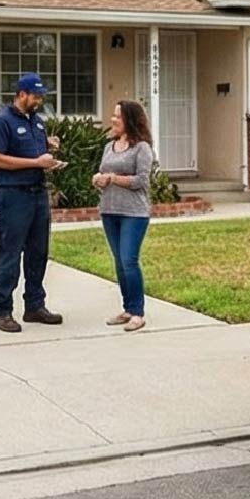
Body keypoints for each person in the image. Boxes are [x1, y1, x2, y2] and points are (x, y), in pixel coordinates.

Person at [0, 73, 65, 333]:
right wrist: (35, 163)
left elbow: (37, 152)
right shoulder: (2, 122)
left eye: (41, 96)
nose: (39, 101)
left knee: (38, 252)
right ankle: (3, 311)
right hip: (15, 196)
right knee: (11, 252)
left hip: (38, 194)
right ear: (21, 94)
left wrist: (49, 154)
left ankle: (34, 305)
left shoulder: (37, 122)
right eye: (36, 96)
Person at [94, 100, 154, 332]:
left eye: (117, 116)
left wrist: (112, 178)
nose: (113, 119)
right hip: (109, 210)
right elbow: (103, 173)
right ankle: (128, 308)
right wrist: (98, 179)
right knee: (119, 262)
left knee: (129, 260)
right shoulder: (109, 146)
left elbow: (141, 181)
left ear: (129, 119)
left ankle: (138, 313)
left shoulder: (142, 148)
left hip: (134, 213)